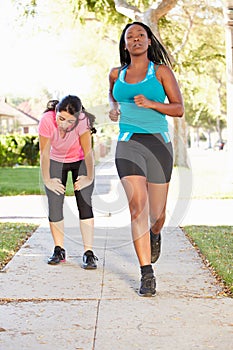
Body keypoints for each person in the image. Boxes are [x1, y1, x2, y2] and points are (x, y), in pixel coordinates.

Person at [108, 22, 184, 296]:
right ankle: (146, 273)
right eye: (131, 36)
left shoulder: (161, 72)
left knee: (157, 215)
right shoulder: (116, 73)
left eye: (141, 35)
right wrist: (114, 109)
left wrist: (152, 104)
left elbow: (178, 109)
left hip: (158, 144)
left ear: (149, 41)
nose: (137, 39)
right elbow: (112, 95)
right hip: (129, 143)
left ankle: (154, 234)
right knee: (137, 207)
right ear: (125, 44)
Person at [38, 95, 98, 269]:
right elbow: (45, 153)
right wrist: (47, 180)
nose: (64, 124)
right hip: (56, 161)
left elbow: (88, 152)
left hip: (79, 160)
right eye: (61, 118)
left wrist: (89, 177)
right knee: (55, 204)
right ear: (55, 112)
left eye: (70, 121)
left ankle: (88, 253)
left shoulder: (83, 121)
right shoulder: (46, 121)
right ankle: (59, 249)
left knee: (85, 202)